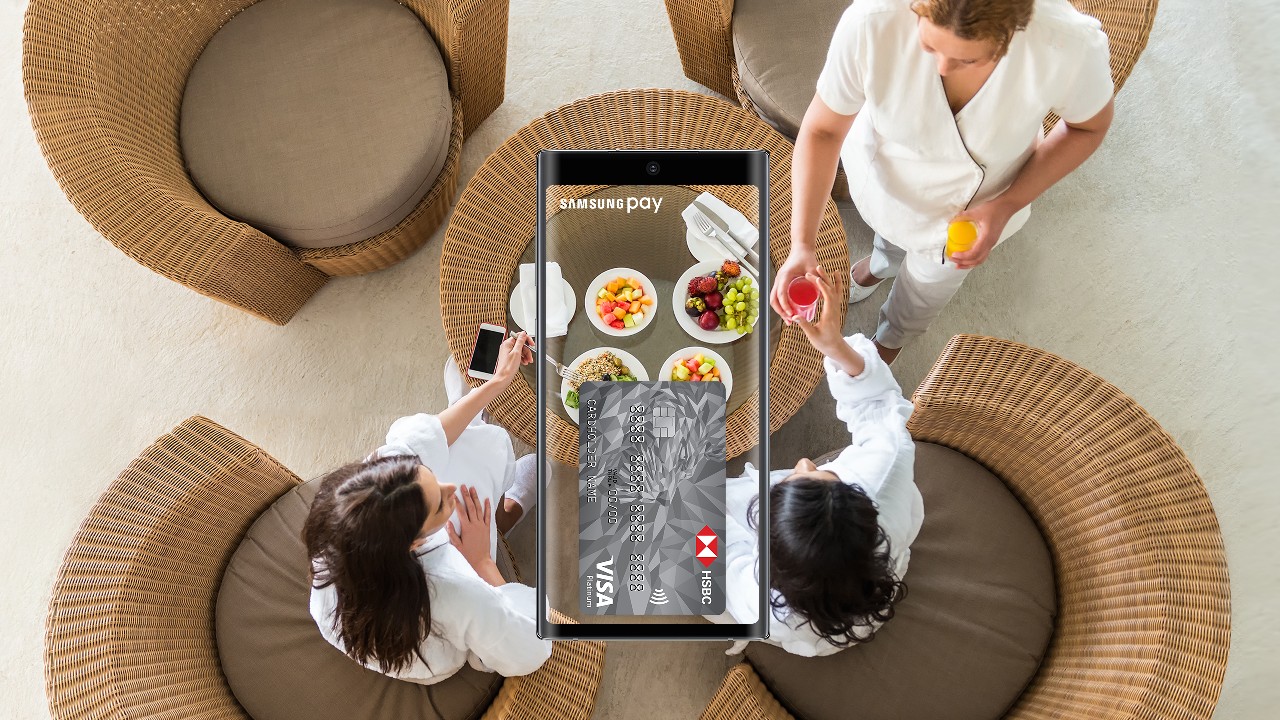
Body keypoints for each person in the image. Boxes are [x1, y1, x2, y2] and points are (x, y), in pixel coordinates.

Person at [771, 0, 1115, 364]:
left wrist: (1007, 205)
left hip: (978, 205)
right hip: (888, 176)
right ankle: (882, 263)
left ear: (1013, 34)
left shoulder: (1069, 46)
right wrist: (802, 244)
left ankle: (893, 334)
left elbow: (1089, 127)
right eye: (930, 46)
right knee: (887, 231)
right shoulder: (870, 21)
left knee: (926, 288)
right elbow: (823, 130)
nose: (943, 68)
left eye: (969, 60)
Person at [304, 331, 552, 683]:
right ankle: (505, 511)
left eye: (431, 478)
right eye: (438, 506)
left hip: (388, 579)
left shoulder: (346, 509)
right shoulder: (450, 587)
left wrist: (497, 383)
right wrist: (480, 561)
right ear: (414, 544)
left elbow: (412, 445)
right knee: (473, 487)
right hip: (434, 653)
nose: (448, 489)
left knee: (444, 452)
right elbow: (530, 647)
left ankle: (471, 416)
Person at [716, 268, 923, 656]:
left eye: (797, 476)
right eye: (825, 475)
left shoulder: (765, 599)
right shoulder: (886, 467)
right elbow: (878, 405)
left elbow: (715, 558)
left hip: (800, 620)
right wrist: (835, 346)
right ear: (863, 504)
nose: (806, 461)